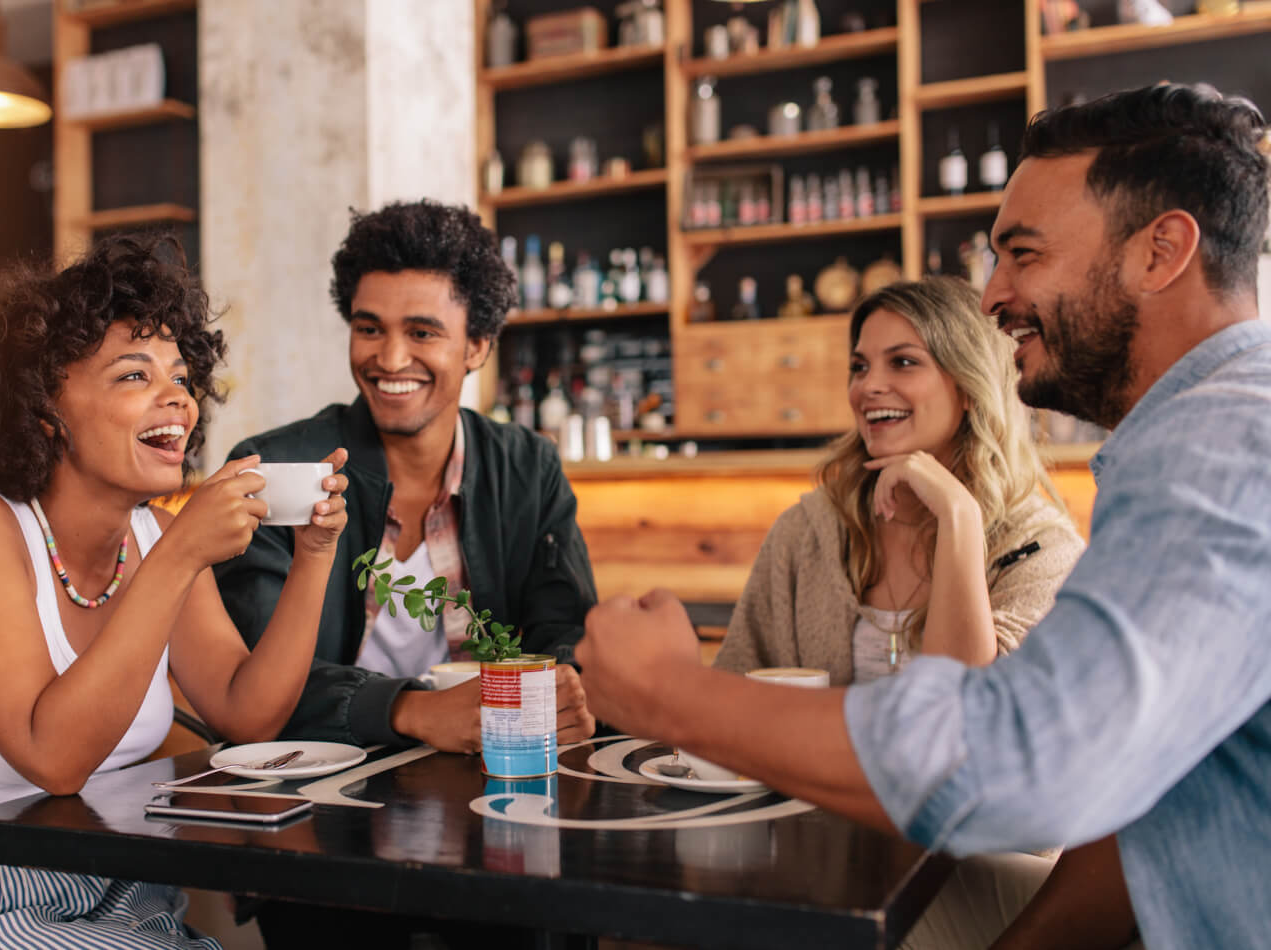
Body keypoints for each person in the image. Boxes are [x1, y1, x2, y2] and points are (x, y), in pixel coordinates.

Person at [576, 82, 1271, 950]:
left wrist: (673, 696)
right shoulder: (1198, 435)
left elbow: (1016, 764)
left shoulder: (1221, 447)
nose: (993, 296)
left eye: (1023, 253)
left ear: (1161, 250)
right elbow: (1145, 806)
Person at [0, 233, 349, 948]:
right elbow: (54, 759)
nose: (178, 400)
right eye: (133, 376)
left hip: (123, 891)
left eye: (182, 377)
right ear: (43, 408)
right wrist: (184, 552)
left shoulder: (152, 533)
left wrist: (315, 556)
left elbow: (249, 714)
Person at [213, 199, 597, 948]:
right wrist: (412, 711)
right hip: (320, 819)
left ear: (478, 344)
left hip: (496, 801)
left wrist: (562, 690)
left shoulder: (528, 470)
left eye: (422, 332)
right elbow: (257, 683)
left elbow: (563, 636)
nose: (389, 359)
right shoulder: (278, 471)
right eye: (369, 328)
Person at [716, 277, 1082, 684]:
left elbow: (966, 710)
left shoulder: (1043, 553)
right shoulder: (806, 534)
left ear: (968, 386)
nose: (867, 386)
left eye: (903, 362)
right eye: (859, 367)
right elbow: (729, 694)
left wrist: (957, 515)